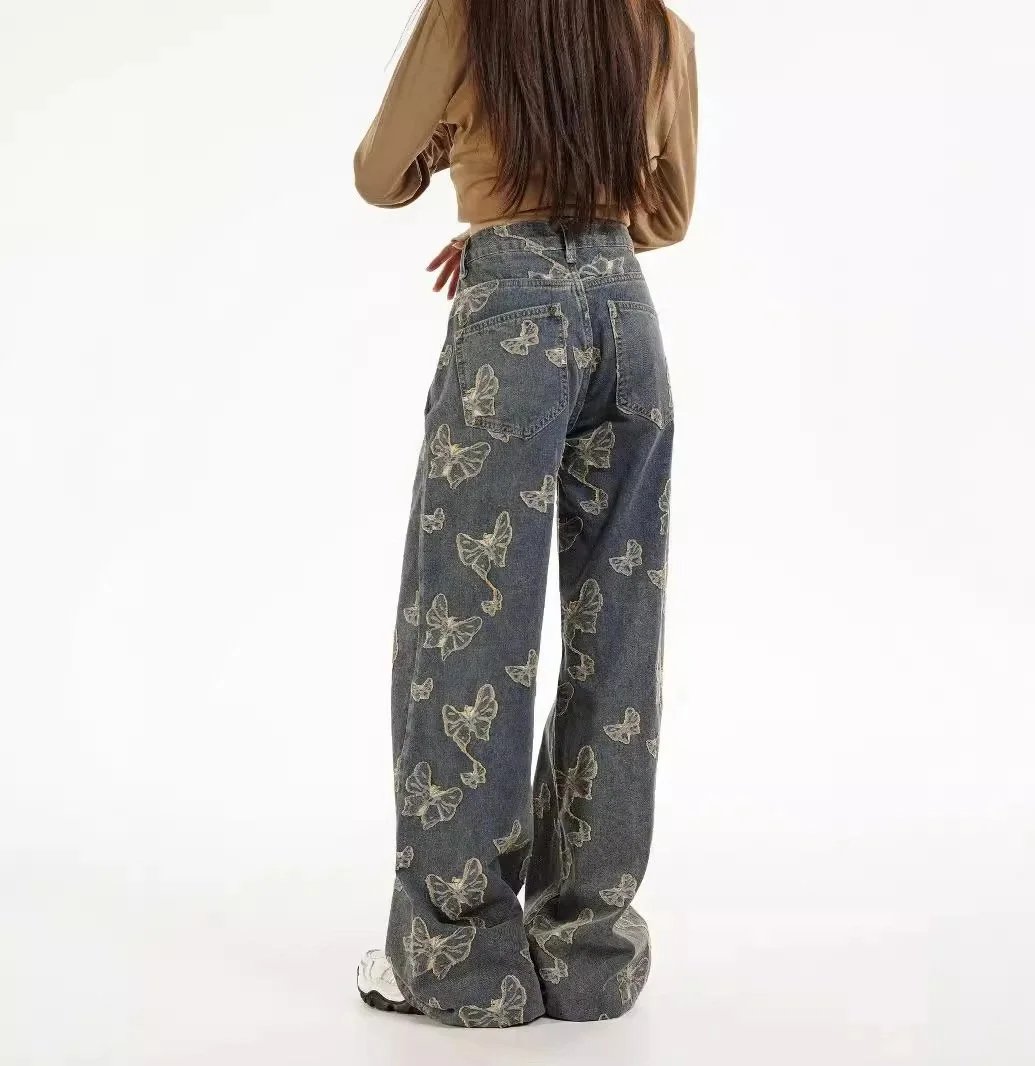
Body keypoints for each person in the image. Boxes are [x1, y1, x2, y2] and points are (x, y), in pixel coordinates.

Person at [352, 0, 697, 1027]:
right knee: (618, 633)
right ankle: (587, 954)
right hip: (626, 319)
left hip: (510, 319)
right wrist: (576, 233)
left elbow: (380, 174)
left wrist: (495, 206)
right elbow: (667, 215)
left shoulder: (469, 11)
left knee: (468, 625)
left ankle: (460, 959)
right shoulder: (659, 26)